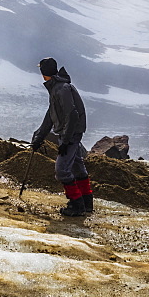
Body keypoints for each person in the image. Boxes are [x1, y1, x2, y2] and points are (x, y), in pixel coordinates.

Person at [30, 57, 93, 217]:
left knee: (62, 169)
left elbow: (71, 115)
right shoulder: (58, 87)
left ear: (43, 74)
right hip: (71, 132)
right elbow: (51, 115)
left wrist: (65, 141)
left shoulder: (61, 89)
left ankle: (77, 205)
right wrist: (39, 137)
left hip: (70, 134)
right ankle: (87, 202)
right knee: (77, 166)